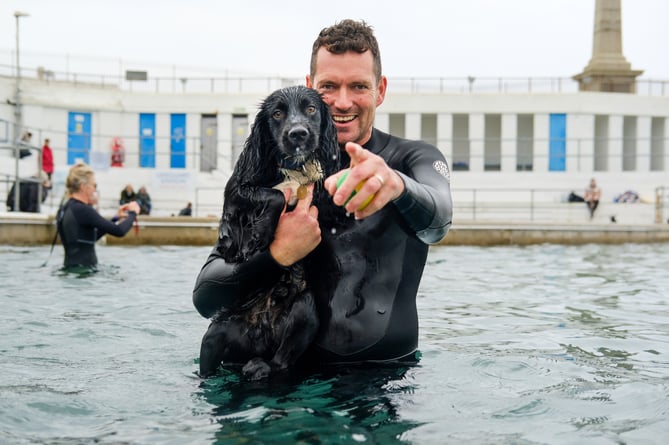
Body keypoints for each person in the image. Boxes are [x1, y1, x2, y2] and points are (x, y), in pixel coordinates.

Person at [192, 19, 453, 369]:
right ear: (310, 87)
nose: (342, 102)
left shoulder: (410, 160)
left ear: (381, 89)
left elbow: (438, 222)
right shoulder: (268, 178)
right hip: (275, 383)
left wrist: (396, 186)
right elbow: (207, 299)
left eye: (359, 86)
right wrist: (276, 255)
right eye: (329, 87)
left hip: (378, 382)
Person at [57, 163, 140, 269]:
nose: (95, 190)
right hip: (85, 273)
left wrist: (116, 218)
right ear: (83, 187)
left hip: (70, 270)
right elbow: (119, 231)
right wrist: (133, 213)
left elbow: (89, 238)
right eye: (94, 185)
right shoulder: (83, 210)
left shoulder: (64, 208)